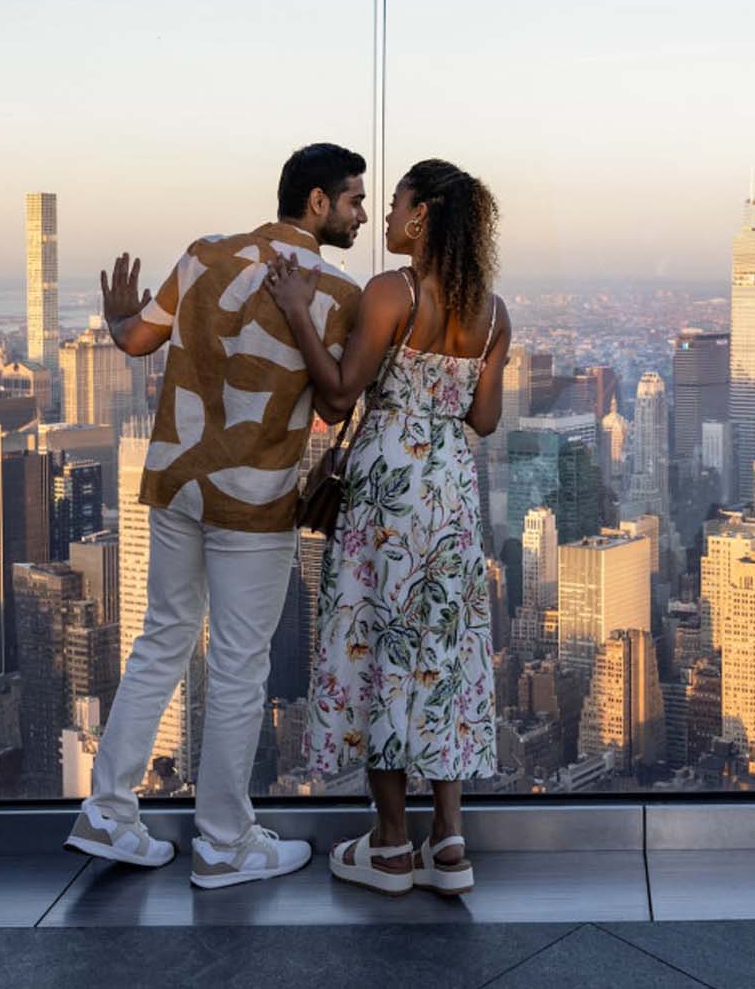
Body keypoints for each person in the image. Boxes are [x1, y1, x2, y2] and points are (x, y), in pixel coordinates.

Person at [63, 142, 368, 890]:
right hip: (252, 502)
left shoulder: (203, 255)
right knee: (238, 666)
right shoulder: (338, 289)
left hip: (175, 482)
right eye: (355, 200)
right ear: (318, 202)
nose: (362, 214)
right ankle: (224, 843)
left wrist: (115, 315)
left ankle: (107, 812)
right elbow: (335, 403)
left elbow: (136, 338)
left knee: (161, 642)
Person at [265, 158, 507, 898]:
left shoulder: (390, 293)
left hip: (386, 493)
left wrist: (299, 311)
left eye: (397, 201)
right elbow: (485, 420)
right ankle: (451, 843)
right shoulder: (493, 313)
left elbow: (338, 398)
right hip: (452, 493)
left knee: (379, 645)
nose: (388, 214)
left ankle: (393, 846)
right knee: (445, 649)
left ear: (423, 215)